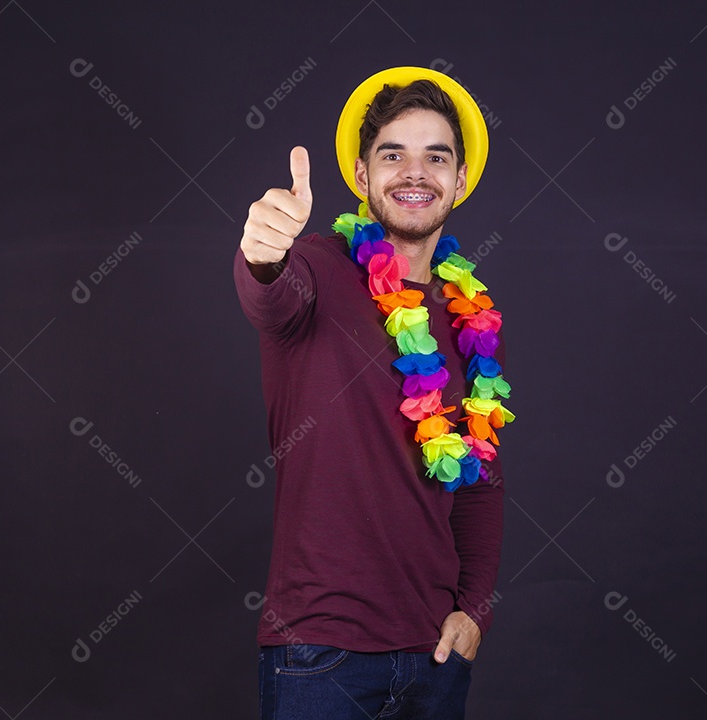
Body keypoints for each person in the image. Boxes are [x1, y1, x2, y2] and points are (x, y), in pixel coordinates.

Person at [233, 66, 515, 720]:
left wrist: (474, 611)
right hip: (321, 655)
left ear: (460, 180)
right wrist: (262, 254)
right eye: (393, 156)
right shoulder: (318, 271)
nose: (414, 173)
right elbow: (269, 296)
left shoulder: (470, 315)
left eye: (435, 157)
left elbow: (479, 481)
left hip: (437, 660)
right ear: (362, 176)